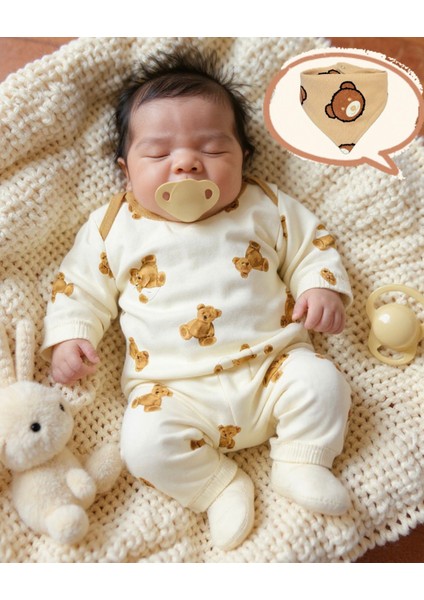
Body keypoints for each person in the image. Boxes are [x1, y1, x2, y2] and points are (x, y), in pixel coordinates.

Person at [42, 47, 353, 551]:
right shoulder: (114, 225)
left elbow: (310, 245)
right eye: (158, 154)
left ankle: (302, 460)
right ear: (126, 171)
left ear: (243, 157)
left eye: (211, 149)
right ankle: (218, 487)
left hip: (273, 366)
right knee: (142, 444)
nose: (186, 163)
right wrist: (70, 337)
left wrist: (320, 285)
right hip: (173, 391)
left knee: (323, 383)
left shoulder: (263, 204)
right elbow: (78, 284)